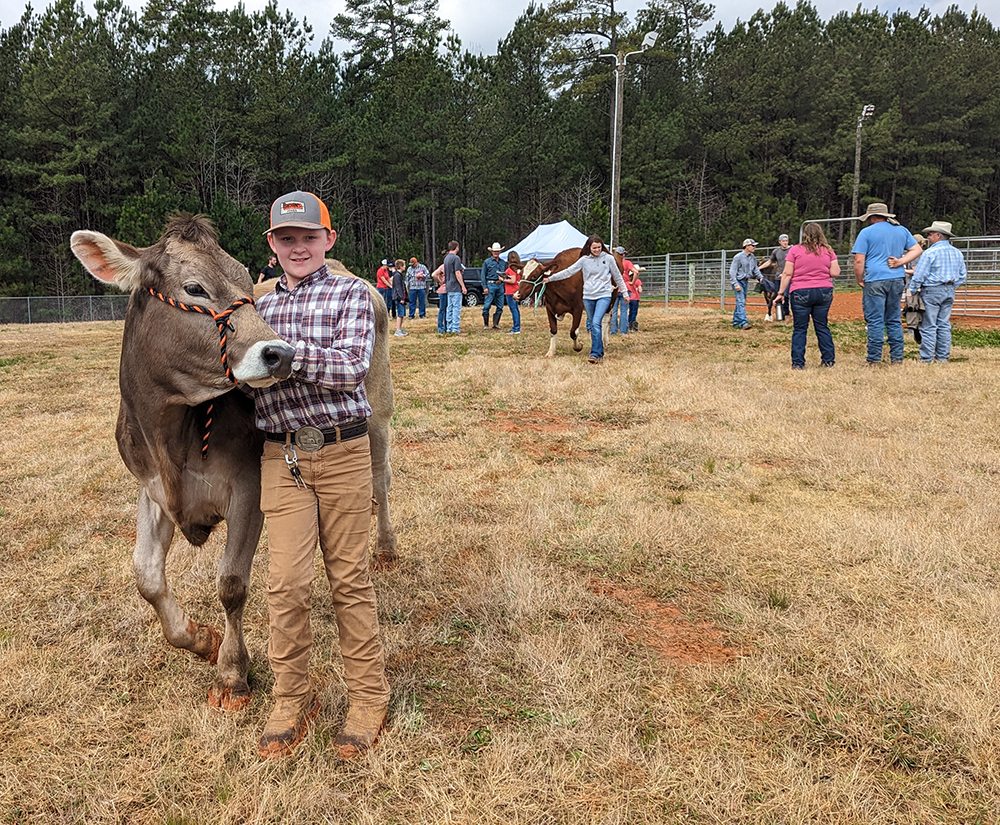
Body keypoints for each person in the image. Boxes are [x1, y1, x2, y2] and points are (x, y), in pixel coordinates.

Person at [252, 190, 390, 761]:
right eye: (287, 238)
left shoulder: (354, 293)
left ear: (329, 240)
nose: (298, 246)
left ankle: (368, 697)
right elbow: (239, 365)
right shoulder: (253, 305)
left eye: (309, 236)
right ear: (273, 246)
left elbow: (350, 367)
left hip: (341, 454)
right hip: (280, 458)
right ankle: (292, 696)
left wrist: (279, 355)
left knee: (348, 581)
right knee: (285, 583)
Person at [851, 202, 922, 365]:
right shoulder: (901, 230)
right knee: (893, 318)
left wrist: (859, 278)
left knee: (875, 319)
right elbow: (917, 250)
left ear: (872, 217)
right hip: (896, 279)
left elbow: (859, 260)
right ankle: (897, 357)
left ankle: (874, 358)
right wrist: (900, 262)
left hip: (875, 278)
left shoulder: (866, 233)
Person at [543, 235, 629, 364]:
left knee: (595, 323)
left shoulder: (609, 259)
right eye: (594, 248)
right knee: (594, 325)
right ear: (589, 247)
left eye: (599, 247)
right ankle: (599, 351)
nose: (597, 250)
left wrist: (625, 292)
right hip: (588, 296)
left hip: (603, 295)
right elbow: (568, 272)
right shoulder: (584, 260)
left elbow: (617, 276)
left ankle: (595, 354)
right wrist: (551, 278)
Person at [773, 222, 840, 369]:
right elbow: (835, 272)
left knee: (800, 328)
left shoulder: (795, 250)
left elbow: (787, 273)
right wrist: (820, 271)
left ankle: (798, 363)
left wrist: (780, 293)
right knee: (822, 326)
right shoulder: (828, 250)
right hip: (824, 291)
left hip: (800, 291)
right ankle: (828, 360)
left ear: (804, 234)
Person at [907, 220, 967, 363]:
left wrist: (912, 290)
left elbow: (919, 274)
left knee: (928, 325)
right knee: (944, 324)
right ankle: (942, 357)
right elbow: (962, 275)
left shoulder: (930, 253)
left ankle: (927, 357)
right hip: (949, 290)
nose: (928, 237)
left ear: (939, 236)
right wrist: (951, 286)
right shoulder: (957, 253)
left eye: (931, 234)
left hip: (931, 291)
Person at [730, 239, 762, 329]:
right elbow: (732, 271)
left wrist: (760, 277)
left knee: (741, 302)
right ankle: (744, 323)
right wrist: (735, 283)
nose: (754, 247)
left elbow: (755, 268)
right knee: (741, 301)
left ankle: (736, 322)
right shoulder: (738, 257)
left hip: (745, 281)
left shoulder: (752, 257)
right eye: (753, 246)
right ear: (747, 246)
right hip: (738, 281)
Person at [758, 233, 791, 320]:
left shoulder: (792, 250)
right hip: (778, 277)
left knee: (786, 295)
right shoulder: (776, 251)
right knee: (777, 295)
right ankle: (780, 315)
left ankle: (787, 314)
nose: (785, 243)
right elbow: (769, 262)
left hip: (789, 276)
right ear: (780, 242)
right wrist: (759, 268)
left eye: (786, 241)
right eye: (783, 241)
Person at [481, 242, 507, 331]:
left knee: (500, 305)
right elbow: (483, 275)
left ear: (500, 252)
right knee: (487, 305)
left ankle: (496, 324)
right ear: (492, 252)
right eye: (494, 251)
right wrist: (485, 287)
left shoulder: (503, 263)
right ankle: (486, 324)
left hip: (500, 285)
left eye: (497, 251)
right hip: (490, 284)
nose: (496, 253)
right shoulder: (487, 262)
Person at [443, 240, 467, 334]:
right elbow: (457, 273)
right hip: (455, 286)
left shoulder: (446, 258)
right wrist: (463, 286)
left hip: (449, 286)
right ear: (456, 247)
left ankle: (449, 328)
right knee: (456, 308)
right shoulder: (456, 258)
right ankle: (455, 328)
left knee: (449, 307)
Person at [609, 246, 634, 335]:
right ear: (623, 254)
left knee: (614, 310)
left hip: (615, 288)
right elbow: (636, 272)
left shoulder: (612, 262)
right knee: (624, 311)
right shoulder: (627, 263)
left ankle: (613, 330)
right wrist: (632, 282)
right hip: (625, 288)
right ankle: (623, 331)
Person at [501, 257, 522, 335]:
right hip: (515, 290)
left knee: (514, 310)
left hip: (511, 291)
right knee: (515, 309)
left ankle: (516, 328)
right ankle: (517, 327)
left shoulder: (511, 269)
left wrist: (502, 279)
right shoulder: (518, 269)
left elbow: (512, 280)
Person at [391, 259, 408, 336]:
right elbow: (398, 288)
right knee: (400, 314)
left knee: (402, 314)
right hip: (398, 297)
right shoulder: (397, 276)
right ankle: (398, 330)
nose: (405, 267)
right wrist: (401, 298)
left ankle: (400, 329)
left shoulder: (399, 275)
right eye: (404, 265)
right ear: (401, 266)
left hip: (400, 297)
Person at [627, 265, 643, 331]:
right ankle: (633, 325)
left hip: (629, 297)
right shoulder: (637, 281)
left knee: (630, 311)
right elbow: (640, 289)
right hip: (635, 298)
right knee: (634, 312)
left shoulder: (628, 280)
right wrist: (640, 290)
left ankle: (629, 323)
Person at [432, 263, 447, 333]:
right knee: (442, 309)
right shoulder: (443, 267)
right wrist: (440, 281)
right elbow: (433, 274)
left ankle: (446, 326)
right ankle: (440, 327)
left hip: (448, 290)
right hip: (443, 291)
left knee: (447, 310)